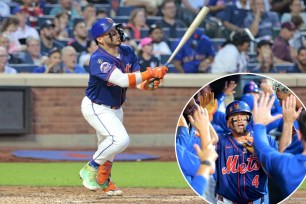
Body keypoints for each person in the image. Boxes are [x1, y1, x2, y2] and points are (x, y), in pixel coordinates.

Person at [79, 17, 168, 195]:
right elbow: (120, 80)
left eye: (116, 30)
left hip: (116, 107)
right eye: (110, 32)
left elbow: (134, 80)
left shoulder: (127, 51)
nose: (116, 34)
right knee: (120, 139)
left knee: (108, 146)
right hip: (96, 106)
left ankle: (103, 180)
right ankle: (89, 169)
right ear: (100, 39)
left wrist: (148, 84)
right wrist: (150, 72)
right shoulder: (97, 59)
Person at [214, 100, 278, 203]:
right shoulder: (219, 141)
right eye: (234, 117)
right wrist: (206, 117)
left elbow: (275, 172)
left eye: (243, 116)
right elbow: (201, 141)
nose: (240, 120)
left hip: (258, 200)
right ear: (228, 123)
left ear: (249, 120)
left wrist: (258, 152)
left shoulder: (266, 141)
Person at [252, 92, 306, 197]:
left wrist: (259, 124)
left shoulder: (289, 166)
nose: (280, 103)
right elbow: (284, 152)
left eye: (280, 99)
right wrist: (288, 123)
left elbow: (262, 148)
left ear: (299, 135)